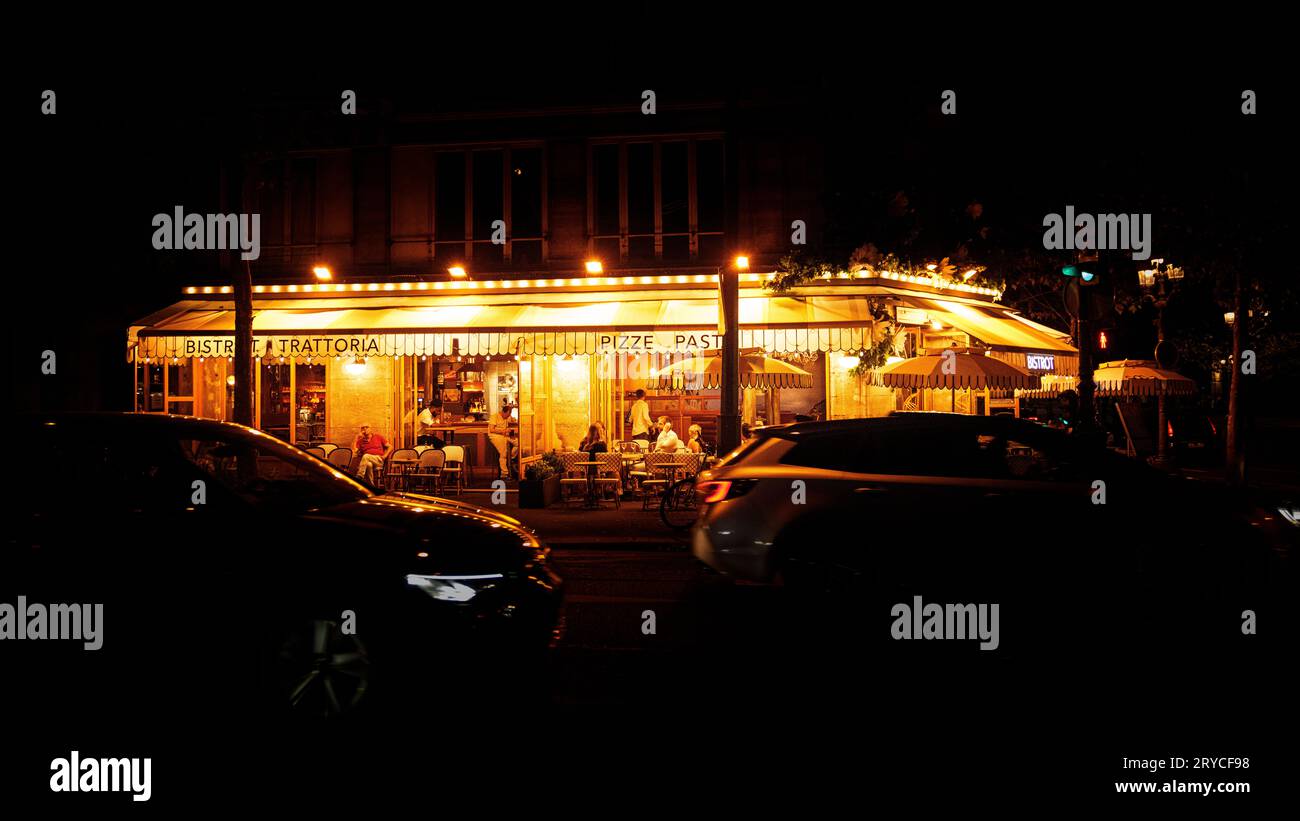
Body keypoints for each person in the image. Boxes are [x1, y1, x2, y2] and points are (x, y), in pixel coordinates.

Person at [487, 401, 515, 479]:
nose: (507, 417)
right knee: (503, 452)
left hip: (504, 436)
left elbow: (513, 420)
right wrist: (503, 431)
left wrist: (507, 430)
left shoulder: (506, 417)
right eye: (507, 415)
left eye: (509, 415)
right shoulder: (494, 416)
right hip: (495, 436)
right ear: (503, 412)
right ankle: (504, 473)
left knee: (517, 443)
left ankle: (511, 457)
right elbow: (492, 430)